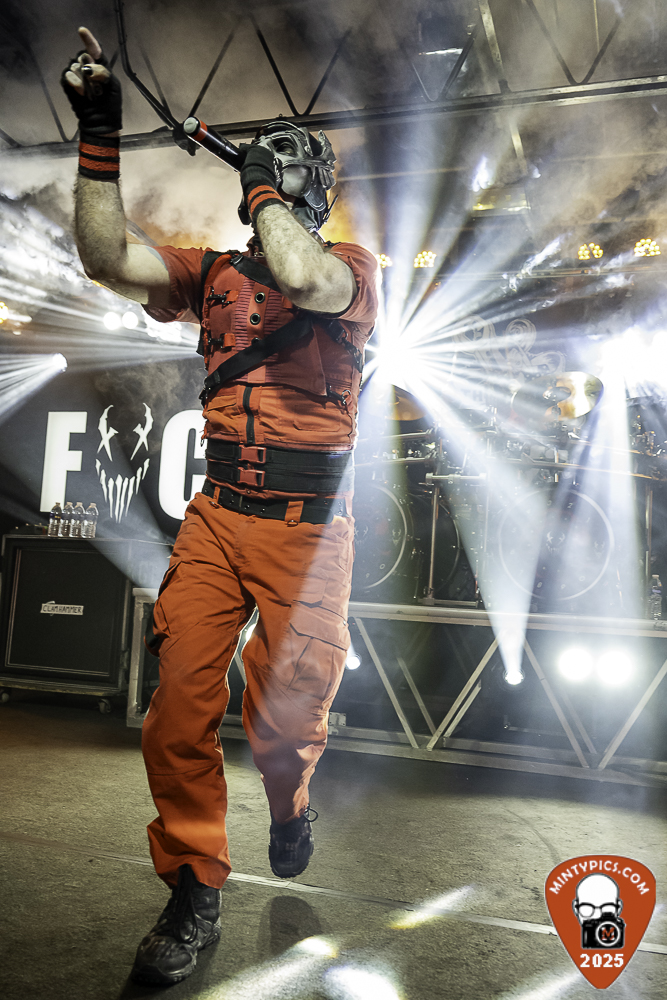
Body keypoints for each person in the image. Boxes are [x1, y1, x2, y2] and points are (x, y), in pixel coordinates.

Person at [62, 26, 378, 987]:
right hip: (219, 517)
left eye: (277, 178)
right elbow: (106, 258)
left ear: (298, 189)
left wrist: (265, 190)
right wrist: (100, 135)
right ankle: (194, 887)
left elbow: (305, 276)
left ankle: (290, 804)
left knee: (284, 724)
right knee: (177, 713)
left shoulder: (354, 270)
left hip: (308, 536)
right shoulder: (214, 275)